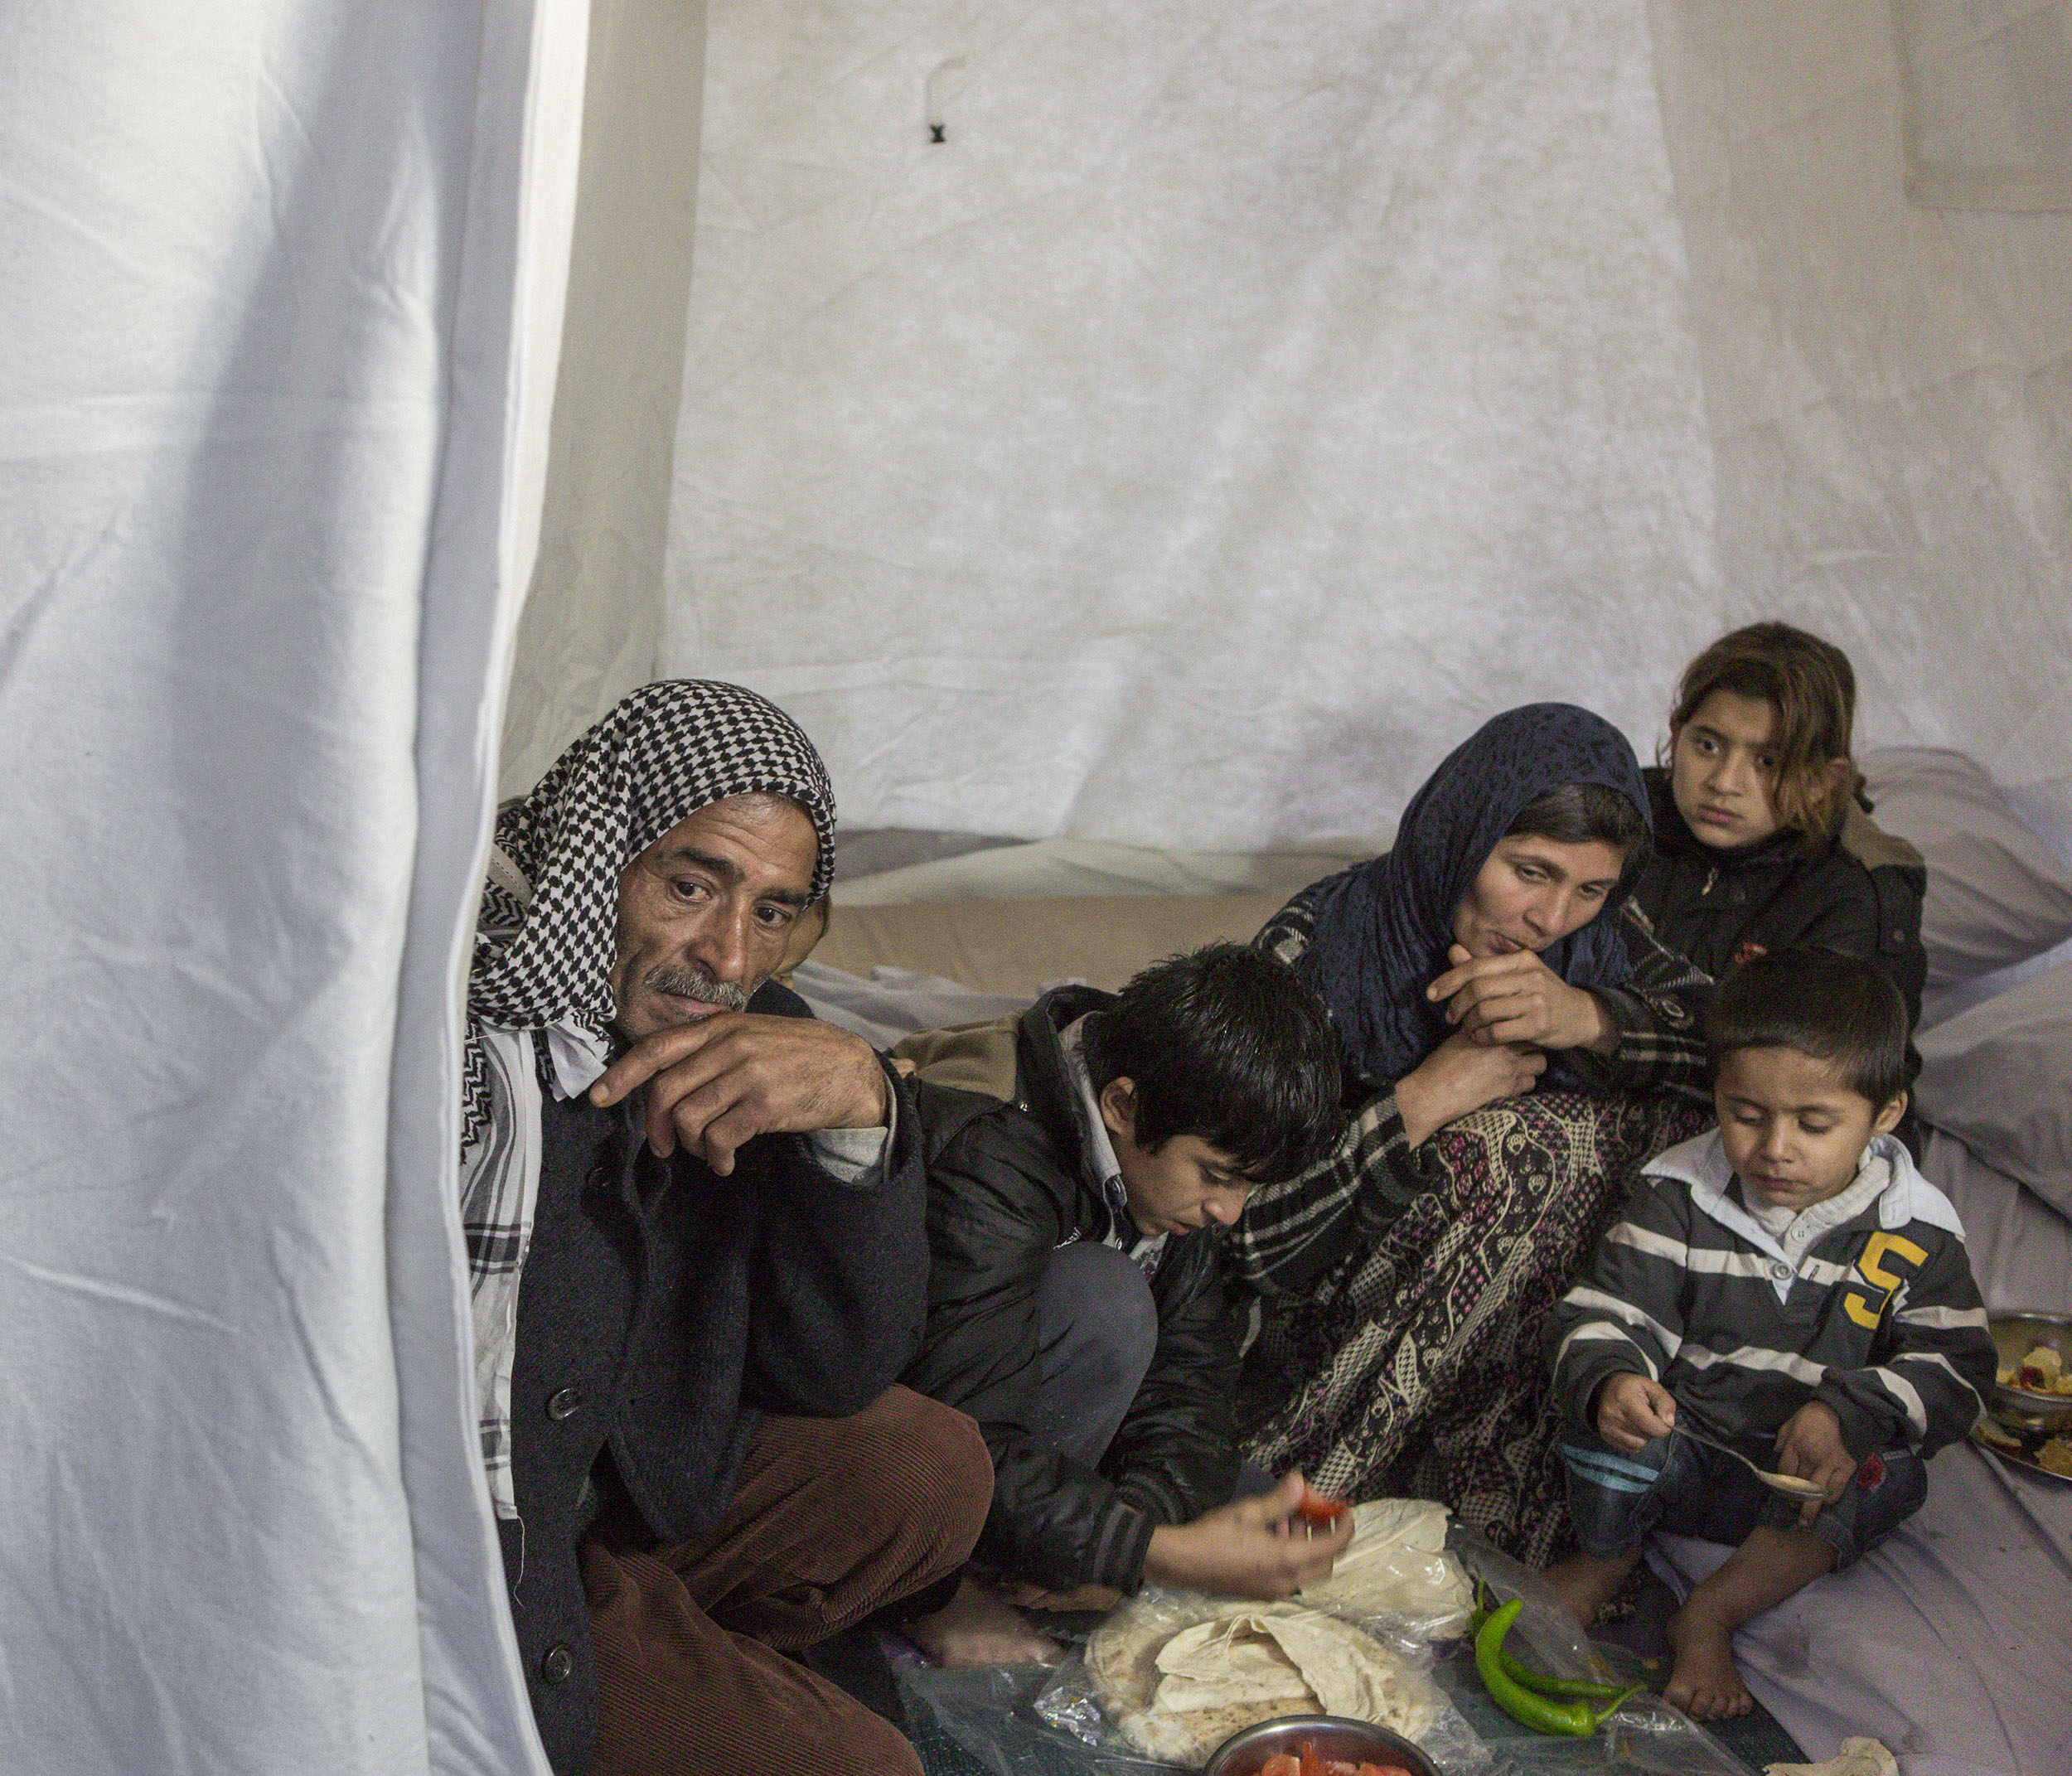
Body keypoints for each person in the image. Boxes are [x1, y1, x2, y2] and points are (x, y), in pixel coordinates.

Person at [460, 680, 992, 1776]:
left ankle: (676, 1653)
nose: (728, 956)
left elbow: (839, 1367)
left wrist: (864, 1107)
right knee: (868, 1766)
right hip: (494, 1542)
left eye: (772, 910)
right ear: (598, 859)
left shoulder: (747, 1035)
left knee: (930, 1465)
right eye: (692, 883)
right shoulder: (478, 1059)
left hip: (627, 1482)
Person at [1230, 704, 1716, 1563]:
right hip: (1319, 1322)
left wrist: (1589, 1019)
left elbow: (1740, 1053)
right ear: (1463, 831)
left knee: (1682, 1127)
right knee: (1503, 1152)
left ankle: (1500, 1509)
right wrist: (1421, 1099)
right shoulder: (1319, 952)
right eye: (1529, 871)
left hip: (1521, 1341)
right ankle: (1315, 1488)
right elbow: (1246, 1238)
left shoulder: (1593, 948)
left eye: (1591, 889)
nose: (1551, 917)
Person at [1541, 950, 1994, 1719]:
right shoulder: (1678, 1192)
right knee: (1590, 1404)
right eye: (1745, 1114)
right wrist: (1617, 1381)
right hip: (1686, 1450)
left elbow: (1958, 1370)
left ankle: (1712, 1611)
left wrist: (1848, 1414)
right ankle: (1607, 1554)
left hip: (1810, 1489)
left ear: (1885, 1114)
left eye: (1815, 1123)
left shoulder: (1918, 1228)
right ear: (1717, 1094)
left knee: (1899, 1475)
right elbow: (1611, 1308)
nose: (1775, 1147)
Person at [893, 945, 1353, 1666]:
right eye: (1218, 1177)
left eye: (1248, 1189)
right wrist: (1150, 1552)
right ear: (1123, 1106)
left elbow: (1191, 1382)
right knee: (1104, 1299)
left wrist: (1133, 1534)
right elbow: (963, 1427)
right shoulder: (992, 1151)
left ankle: (1043, 1560)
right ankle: (928, 1588)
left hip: (1005, 1409)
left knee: (1257, 1509)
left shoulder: (1167, 1141)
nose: (1230, 1212)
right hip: (890, 1443)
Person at [1628, 622, 1926, 1087]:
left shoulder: (1855, 893)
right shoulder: (1618, 812)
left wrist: (1601, 1022)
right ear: (1676, 733)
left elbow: (1808, 1085)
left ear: (1823, 778)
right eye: (1707, 745)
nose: (1724, 783)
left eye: (1767, 762)